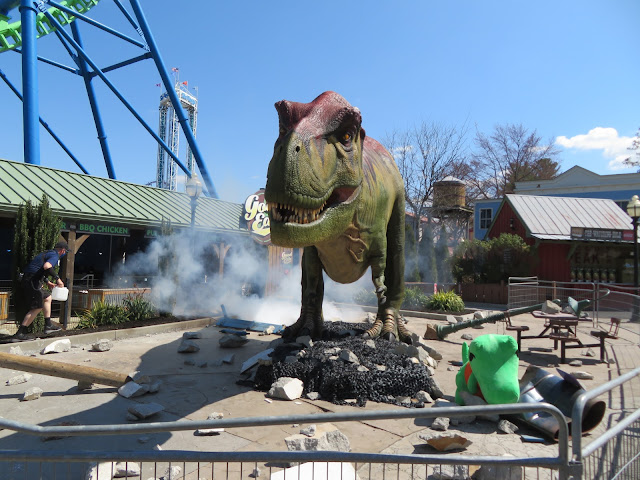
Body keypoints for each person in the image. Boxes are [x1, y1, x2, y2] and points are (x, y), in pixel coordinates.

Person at [12, 241, 69, 342]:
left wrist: (47, 282)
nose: (65, 254)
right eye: (65, 252)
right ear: (62, 250)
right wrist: (58, 279)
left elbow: (38, 269)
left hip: (31, 279)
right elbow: (47, 266)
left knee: (47, 297)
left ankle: (48, 325)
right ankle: (20, 333)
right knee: (37, 307)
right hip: (32, 281)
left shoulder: (47, 253)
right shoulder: (55, 255)